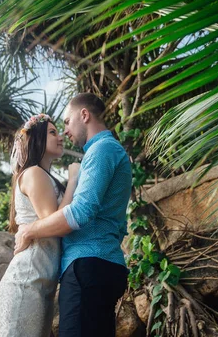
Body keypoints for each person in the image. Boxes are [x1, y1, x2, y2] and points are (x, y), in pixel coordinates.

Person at [14, 93, 132, 337]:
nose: (65, 131)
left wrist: (29, 230)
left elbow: (81, 212)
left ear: (84, 115)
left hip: (88, 264)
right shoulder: (104, 151)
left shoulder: (102, 150)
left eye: (66, 122)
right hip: (98, 264)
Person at [0, 113, 80, 337]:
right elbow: (56, 220)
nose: (60, 137)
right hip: (27, 281)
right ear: (37, 139)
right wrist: (73, 181)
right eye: (52, 132)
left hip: (40, 283)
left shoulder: (45, 176)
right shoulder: (33, 173)